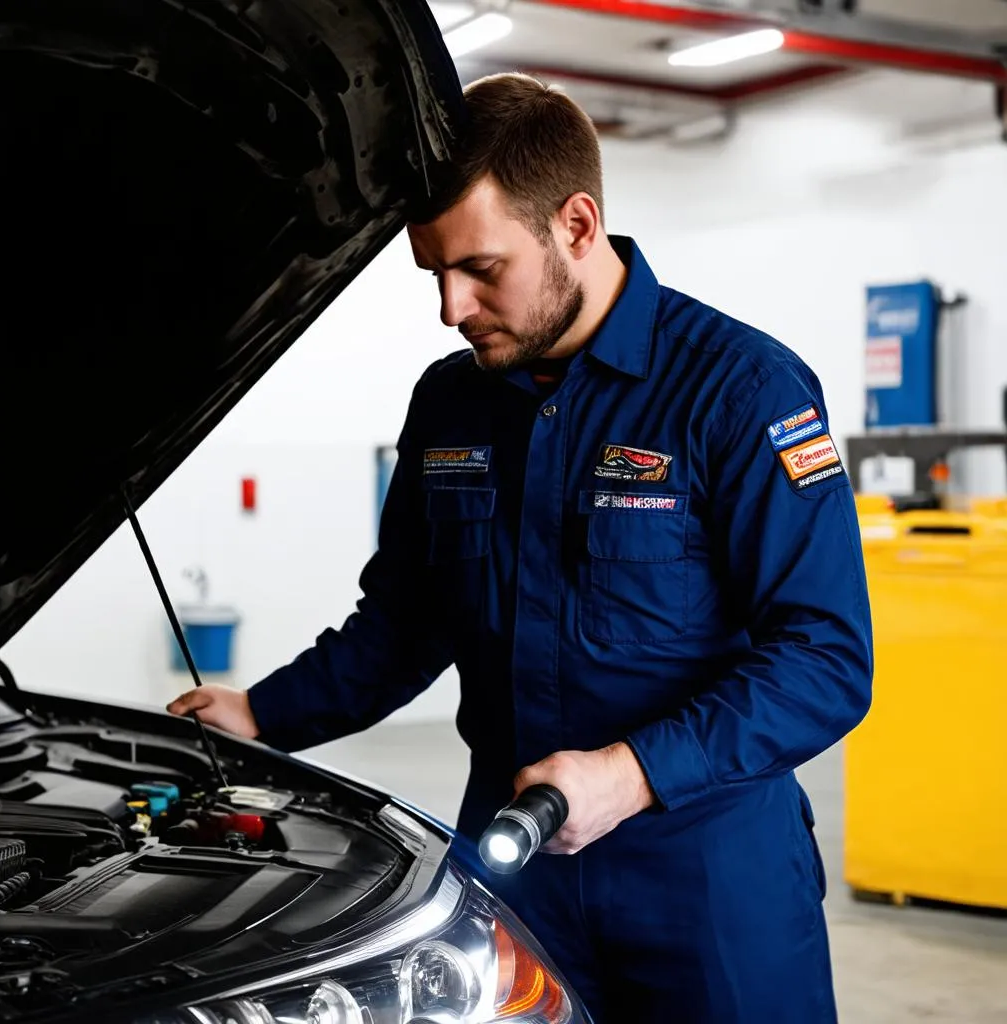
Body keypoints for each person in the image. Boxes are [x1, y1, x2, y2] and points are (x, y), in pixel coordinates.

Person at [168, 72, 873, 1023]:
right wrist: (261, 712)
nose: (451, 308)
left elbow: (824, 662)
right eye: (434, 274)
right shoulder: (451, 402)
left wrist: (630, 774)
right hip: (511, 879)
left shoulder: (744, 392)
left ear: (576, 226)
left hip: (710, 884)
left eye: (481, 269)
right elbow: (408, 622)